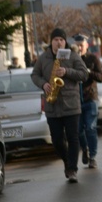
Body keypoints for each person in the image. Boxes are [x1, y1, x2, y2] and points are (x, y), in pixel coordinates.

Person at [31, 28, 88, 182]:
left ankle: (72, 170)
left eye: (61, 40)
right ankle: (67, 161)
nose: (58, 42)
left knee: (73, 137)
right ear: (51, 42)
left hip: (71, 104)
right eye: (55, 39)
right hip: (52, 105)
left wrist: (67, 71)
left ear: (65, 42)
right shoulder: (43, 58)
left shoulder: (73, 55)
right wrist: (43, 84)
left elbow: (84, 74)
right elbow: (34, 75)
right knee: (57, 140)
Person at [75, 34, 102, 169]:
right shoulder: (72, 59)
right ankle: (85, 148)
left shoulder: (93, 59)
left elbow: (101, 77)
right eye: (77, 45)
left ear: (87, 45)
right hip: (76, 100)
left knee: (91, 128)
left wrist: (89, 72)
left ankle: (93, 156)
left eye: (82, 45)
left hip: (90, 97)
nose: (79, 47)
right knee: (79, 129)